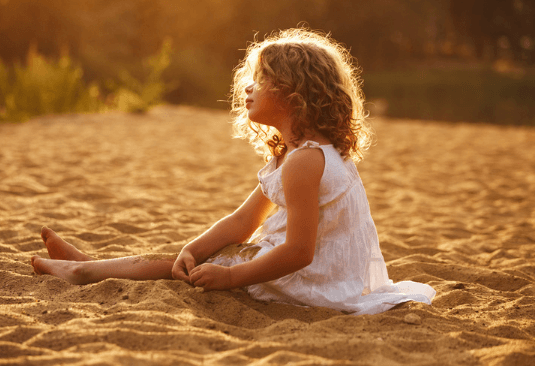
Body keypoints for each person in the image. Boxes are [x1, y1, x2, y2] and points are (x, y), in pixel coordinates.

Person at [31, 28, 435, 315]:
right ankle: (89, 266)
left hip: (311, 284)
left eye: (262, 79)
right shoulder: (296, 155)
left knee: (195, 266)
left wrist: (233, 277)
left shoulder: (305, 161)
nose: (248, 87)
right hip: (310, 274)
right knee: (192, 256)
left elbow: (299, 251)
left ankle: (83, 270)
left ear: (294, 94)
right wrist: (192, 246)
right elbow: (243, 220)